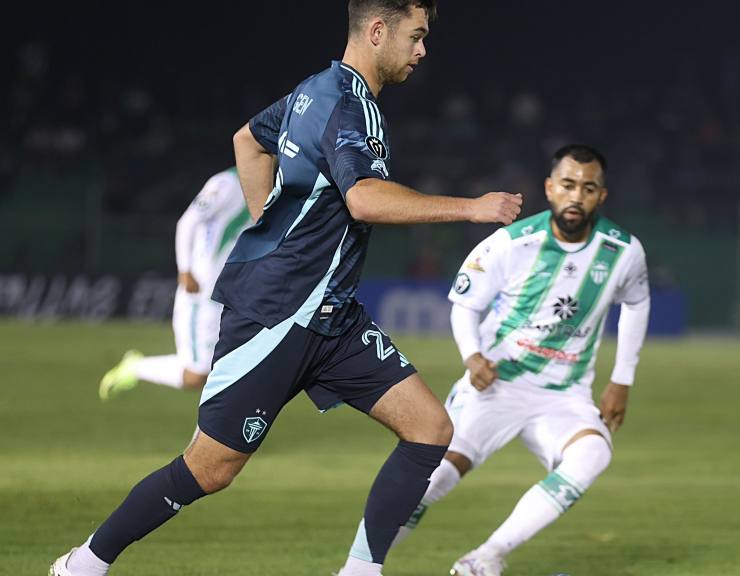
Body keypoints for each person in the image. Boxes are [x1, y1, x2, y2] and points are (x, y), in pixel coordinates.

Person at [50, 1, 524, 575]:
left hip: (332, 316)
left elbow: (248, 141)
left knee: (430, 429)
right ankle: (85, 563)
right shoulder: (348, 106)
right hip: (277, 317)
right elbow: (365, 198)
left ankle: (360, 571)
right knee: (209, 469)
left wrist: (265, 225)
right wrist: (472, 207)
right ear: (378, 32)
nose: (423, 50)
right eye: (416, 36)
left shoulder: (313, 90)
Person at [394, 145, 650, 575]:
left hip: (563, 395)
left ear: (601, 196)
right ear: (550, 189)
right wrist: (472, 355)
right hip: (496, 385)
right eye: (568, 185)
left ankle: (485, 558)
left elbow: (637, 303)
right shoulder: (512, 243)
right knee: (432, 480)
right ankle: (357, 569)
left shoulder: (623, 251)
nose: (576, 196)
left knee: (592, 454)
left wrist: (621, 379)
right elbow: (465, 304)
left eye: (588, 188)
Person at [98, 168, 251, 399]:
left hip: (232, 291)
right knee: (196, 375)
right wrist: (185, 270)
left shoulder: (271, 183)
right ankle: (136, 367)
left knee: (230, 371)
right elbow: (188, 221)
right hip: (203, 289)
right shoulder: (227, 182)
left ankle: (219, 430)